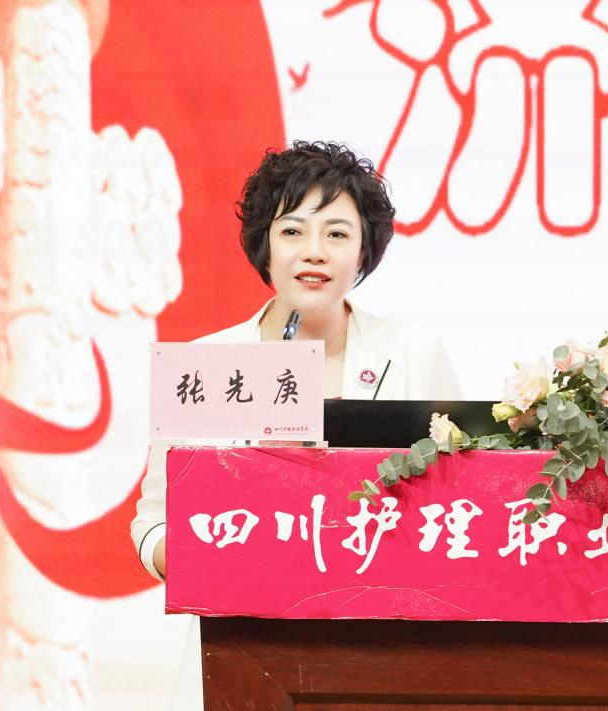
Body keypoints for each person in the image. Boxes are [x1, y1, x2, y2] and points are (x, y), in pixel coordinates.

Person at [129, 141, 461, 707]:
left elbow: (457, 499)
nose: (314, 252)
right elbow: (154, 522)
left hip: (385, 647)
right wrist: (213, 557)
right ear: (265, 245)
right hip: (244, 646)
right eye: (292, 231)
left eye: (337, 234)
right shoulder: (205, 366)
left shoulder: (414, 352)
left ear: (364, 249)